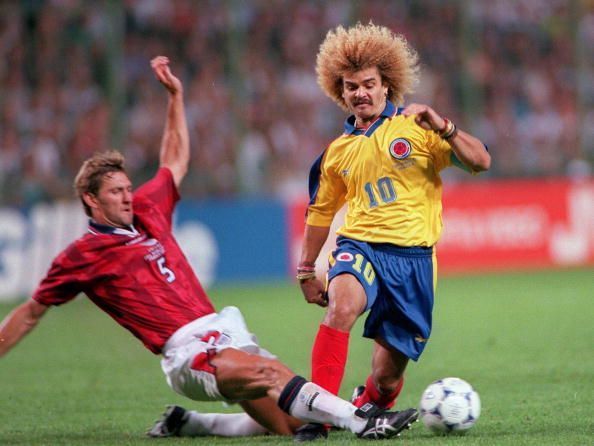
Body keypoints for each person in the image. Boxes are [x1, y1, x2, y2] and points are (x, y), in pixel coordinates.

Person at [0, 56, 418, 441]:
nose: (128, 197)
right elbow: (31, 311)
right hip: (187, 352)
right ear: (92, 200)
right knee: (268, 371)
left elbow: (174, 160)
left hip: (224, 332)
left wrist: (175, 97)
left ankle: (192, 423)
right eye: (115, 193)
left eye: (127, 188)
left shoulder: (148, 210)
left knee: (290, 423)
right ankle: (363, 420)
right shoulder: (82, 255)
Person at [295, 23, 491, 441]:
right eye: (351, 86)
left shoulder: (417, 127)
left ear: (387, 86)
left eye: (369, 84)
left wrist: (445, 127)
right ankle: (319, 416)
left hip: (415, 262)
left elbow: (481, 162)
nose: (360, 93)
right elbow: (320, 215)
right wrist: (307, 269)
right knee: (341, 307)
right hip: (360, 246)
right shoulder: (335, 154)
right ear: (340, 92)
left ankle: (368, 403)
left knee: (385, 380)